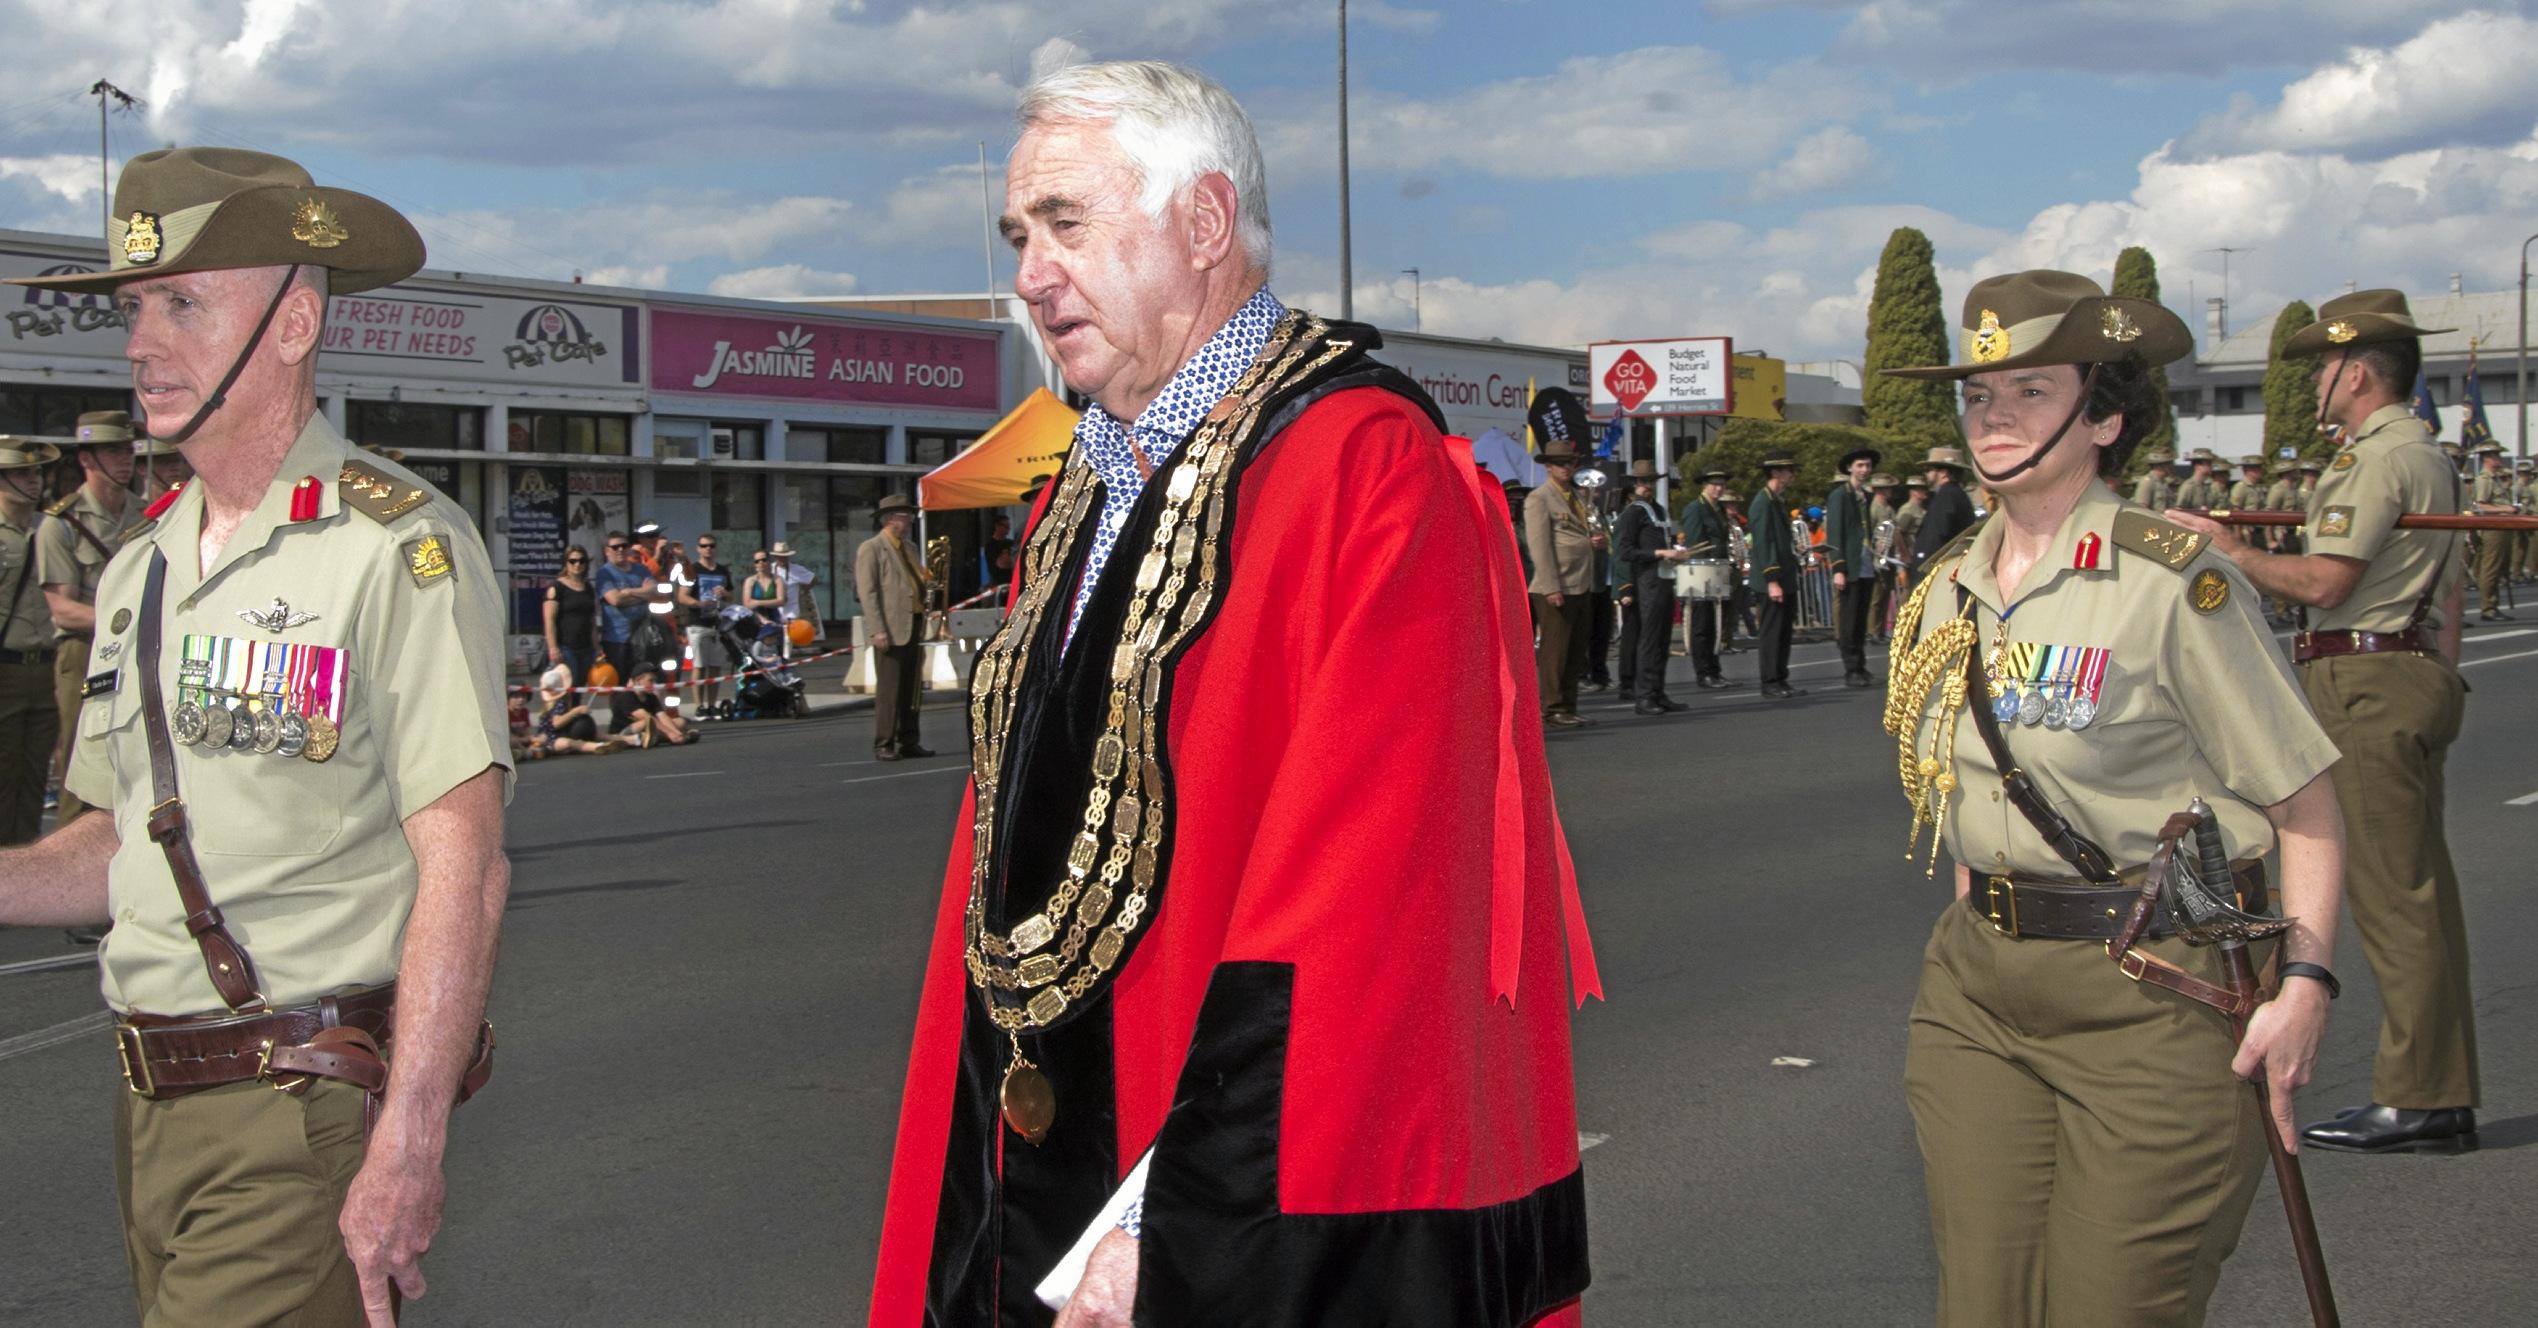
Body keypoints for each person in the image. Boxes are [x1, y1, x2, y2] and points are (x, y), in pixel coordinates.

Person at [873, 60, 1596, 1328]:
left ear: (1205, 225)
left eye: (1067, 223)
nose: (1031, 274)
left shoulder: (1366, 469)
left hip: (1215, 1184)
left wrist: (1179, 1210)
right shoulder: (1080, 485)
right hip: (1031, 1134)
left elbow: (1369, 895)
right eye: (1019, 234)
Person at [0, 146, 510, 1323]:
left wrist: (411, 1137)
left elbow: (466, 866)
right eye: (134, 306)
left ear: (291, 324)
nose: (140, 342)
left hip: (296, 1109)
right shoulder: (141, 569)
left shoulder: (394, 548)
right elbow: (114, 843)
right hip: (149, 1109)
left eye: (182, 302)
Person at [1883, 269, 2346, 1325]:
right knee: (1982, 1305)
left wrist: (2306, 981)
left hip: (2155, 994)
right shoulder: (1949, 580)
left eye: (2031, 391)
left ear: (2102, 416)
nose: (1996, 416)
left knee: (2111, 1307)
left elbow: (2305, 798)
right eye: (1981, 396)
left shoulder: (2172, 579)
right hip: (1980, 995)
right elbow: (1977, 795)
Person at [2165, 288, 2480, 1155]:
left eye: (2322, 368)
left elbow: (2325, 583)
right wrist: (2434, 682)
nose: (2314, 383)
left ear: (2355, 371)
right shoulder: (2421, 452)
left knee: (2391, 897)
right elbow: (2446, 594)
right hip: (2405, 667)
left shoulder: (2379, 459)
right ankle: (2438, 1091)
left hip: (2366, 673)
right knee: (2422, 894)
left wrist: (2232, 551)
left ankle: (2422, 1095)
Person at [39, 411, 141, 825]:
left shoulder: (150, 512)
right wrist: (132, 622)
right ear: (87, 459)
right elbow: (62, 608)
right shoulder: (60, 523)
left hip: (139, 653)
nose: (125, 459)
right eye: (112, 450)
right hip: (85, 653)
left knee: (135, 756)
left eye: (128, 449)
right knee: (81, 765)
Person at [1523, 388, 1604, 729]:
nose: (1566, 468)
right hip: (1555, 584)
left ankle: (1568, 703)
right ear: (1548, 467)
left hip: (1581, 581)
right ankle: (1553, 707)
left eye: (1569, 462)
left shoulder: (1579, 497)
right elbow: (1539, 546)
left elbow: (1584, 532)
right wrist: (1551, 585)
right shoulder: (1540, 499)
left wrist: (1595, 540)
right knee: (1555, 651)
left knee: (1574, 650)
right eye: (1559, 463)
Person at [0, 437, 64, 844]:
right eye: (22, 473)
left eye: (37, 471)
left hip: (47, 667)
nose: (34, 480)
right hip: (5, 669)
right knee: (4, 774)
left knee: (36, 775)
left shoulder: (50, 528)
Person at [855, 493, 934, 761]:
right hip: (890, 627)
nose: (910, 521)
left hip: (913, 623)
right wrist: (877, 629)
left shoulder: (908, 547)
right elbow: (869, 593)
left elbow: (917, 581)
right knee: (890, 689)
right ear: (891, 519)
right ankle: (884, 743)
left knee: (912, 687)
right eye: (905, 516)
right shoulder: (872, 548)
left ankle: (909, 739)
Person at [1612, 459, 1687, 714]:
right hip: (1647, 581)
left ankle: (1658, 691)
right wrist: (1659, 552)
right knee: (1649, 639)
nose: (1647, 486)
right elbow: (1624, 552)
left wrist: (1675, 553)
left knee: (1662, 638)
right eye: (1643, 482)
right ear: (1635, 484)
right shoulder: (1632, 513)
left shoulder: (1659, 511)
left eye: (1651, 482)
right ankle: (1644, 696)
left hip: (1663, 578)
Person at [1746, 449, 1806, 699]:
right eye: (1788, 470)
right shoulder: (1763, 502)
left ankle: (1780, 677)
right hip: (1773, 579)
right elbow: (1764, 542)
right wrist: (1772, 580)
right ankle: (1770, 680)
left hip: (1785, 575)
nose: (1793, 475)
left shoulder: (1777, 500)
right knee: (1772, 632)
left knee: (1783, 631)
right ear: (1775, 472)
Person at [1822, 445, 1880, 688]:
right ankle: (1851, 667)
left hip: (1865, 561)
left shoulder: (1864, 496)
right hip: (1850, 564)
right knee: (1849, 617)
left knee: (1860, 618)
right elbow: (1835, 533)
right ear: (1849, 468)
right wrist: (1838, 568)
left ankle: (1860, 664)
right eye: (1860, 466)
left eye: (1867, 465)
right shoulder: (1840, 496)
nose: (1864, 470)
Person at [1679, 468, 1739, 689]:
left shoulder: (1719, 510)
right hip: (1700, 570)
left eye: (1721, 484)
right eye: (1714, 484)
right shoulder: (1695, 509)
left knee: (1715, 623)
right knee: (1702, 624)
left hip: (1717, 568)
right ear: (1704, 486)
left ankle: (1715, 670)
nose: (1718, 488)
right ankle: (1703, 672)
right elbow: (1696, 544)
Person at [674, 531, 734, 710]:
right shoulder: (692, 570)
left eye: (711, 546)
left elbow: (731, 597)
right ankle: (699, 705)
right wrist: (699, 603)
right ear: (698, 549)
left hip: (717, 623)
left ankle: (711, 705)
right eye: (704, 546)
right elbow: (682, 597)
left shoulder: (722, 571)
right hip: (697, 623)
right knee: (699, 667)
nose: (708, 549)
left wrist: (725, 594)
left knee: (715, 667)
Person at [525, 665, 623, 757]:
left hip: (554, 737)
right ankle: (599, 746)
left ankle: (605, 744)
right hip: (550, 738)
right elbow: (557, 723)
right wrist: (577, 711)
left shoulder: (553, 704)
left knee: (572, 742)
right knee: (570, 743)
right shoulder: (559, 703)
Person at [591, 527, 649, 680]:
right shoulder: (604, 573)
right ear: (607, 551)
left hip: (644, 637)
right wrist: (643, 594)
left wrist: (629, 592)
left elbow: (656, 592)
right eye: (615, 547)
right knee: (620, 686)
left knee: (645, 682)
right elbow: (615, 600)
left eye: (624, 546)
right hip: (617, 639)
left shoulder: (641, 569)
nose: (620, 550)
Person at [1912, 445, 1979, 573]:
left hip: (1937, 569)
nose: (1926, 474)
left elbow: (1936, 535)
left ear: (1943, 473)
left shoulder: (1946, 496)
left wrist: (1925, 568)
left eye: (1929, 469)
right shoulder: (1958, 495)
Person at [2467, 443, 2515, 620]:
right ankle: (2488, 608)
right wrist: (2505, 509)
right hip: (2492, 529)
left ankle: (2492, 605)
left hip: (2501, 527)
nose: (2499, 459)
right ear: (2486, 458)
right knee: (2491, 569)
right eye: (2495, 456)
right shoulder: (2484, 480)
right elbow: (2480, 505)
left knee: (2498, 568)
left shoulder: (2495, 479)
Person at [543, 541, 600, 684]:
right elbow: (549, 620)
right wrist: (553, 647)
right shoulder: (557, 587)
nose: (577, 564)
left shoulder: (588, 588)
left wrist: (597, 647)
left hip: (586, 647)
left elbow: (592, 620)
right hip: (565, 647)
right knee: (567, 686)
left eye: (581, 561)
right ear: (566, 563)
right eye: (572, 561)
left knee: (579, 687)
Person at [608, 664, 695, 748]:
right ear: (638, 680)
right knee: (647, 722)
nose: (654, 684)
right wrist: (670, 733)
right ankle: (669, 737)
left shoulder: (651, 697)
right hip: (623, 732)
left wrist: (675, 732)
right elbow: (647, 718)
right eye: (650, 681)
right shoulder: (626, 697)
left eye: (654, 681)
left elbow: (662, 716)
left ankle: (668, 737)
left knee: (680, 722)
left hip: (647, 728)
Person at [1866, 471, 1902, 641]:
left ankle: (1880, 630)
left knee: (1886, 592)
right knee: (1877, 595)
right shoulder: (1873, 508)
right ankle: (1873, 629)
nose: (1890, 491)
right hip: (1878, 555)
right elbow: (1869, 532)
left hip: (1890, 554)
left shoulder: (1888, 509)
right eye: (1886, 488)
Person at [770, 540, 817, 656]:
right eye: (779, 557)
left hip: (791, 612)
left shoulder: (796, 569)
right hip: (775, 612)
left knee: (787, 641)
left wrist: (804, 590)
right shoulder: (770, 569)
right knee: (773, 641)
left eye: (785, 557)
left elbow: (813, 578)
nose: (782, 559)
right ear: (775, 557)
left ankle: (785, 662)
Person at [742, 548, 785, 633]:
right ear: (755, 565)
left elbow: (781, 601)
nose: (760, 563)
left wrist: (757, 602)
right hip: (756, 619)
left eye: (764, 560)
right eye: (757, 561)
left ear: (769, 561)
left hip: (774, 619)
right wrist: (772, 603)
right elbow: (747, 604)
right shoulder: (750, 581)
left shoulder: (777, 579)